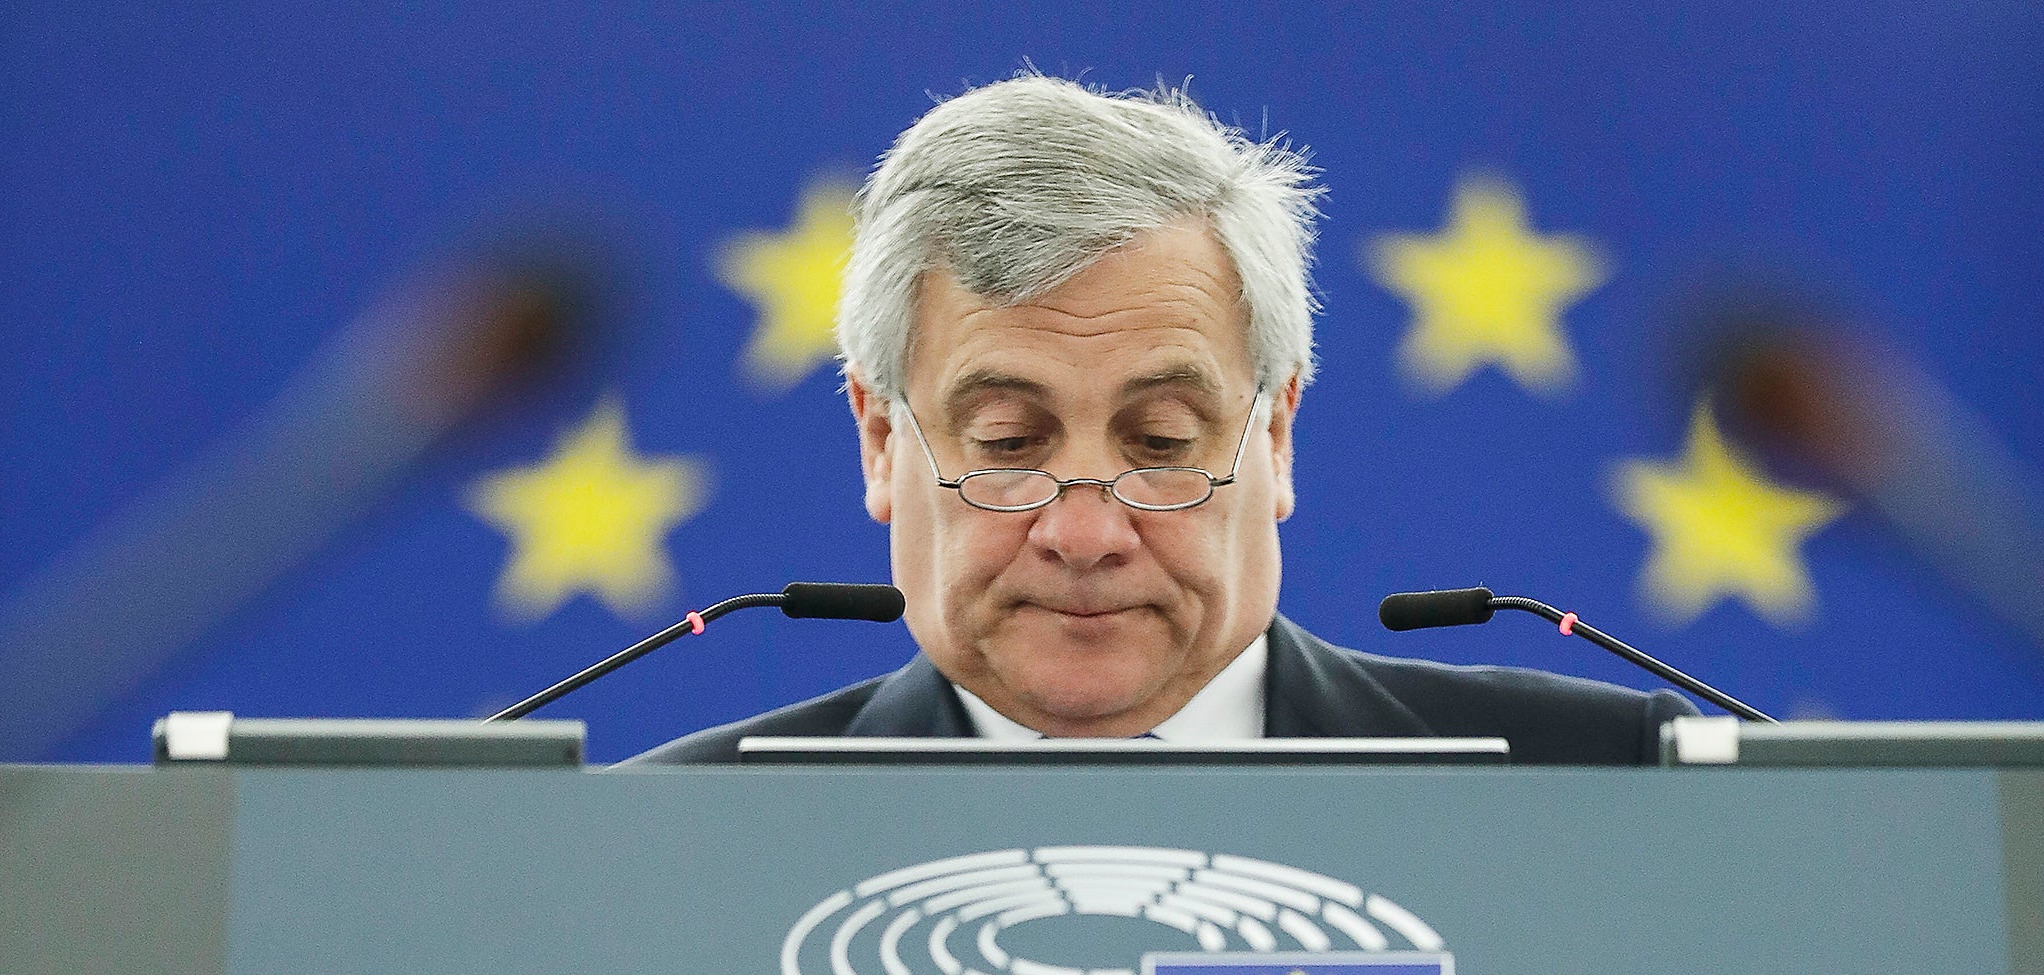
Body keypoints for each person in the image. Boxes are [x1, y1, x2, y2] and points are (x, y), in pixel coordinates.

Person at [628, 75, 1694, 766]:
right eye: (1007, 444)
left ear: (1273, 435)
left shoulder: (1607, 787)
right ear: (878, 440)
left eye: (1160, 445)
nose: (1084, 533)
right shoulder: (665, 845)